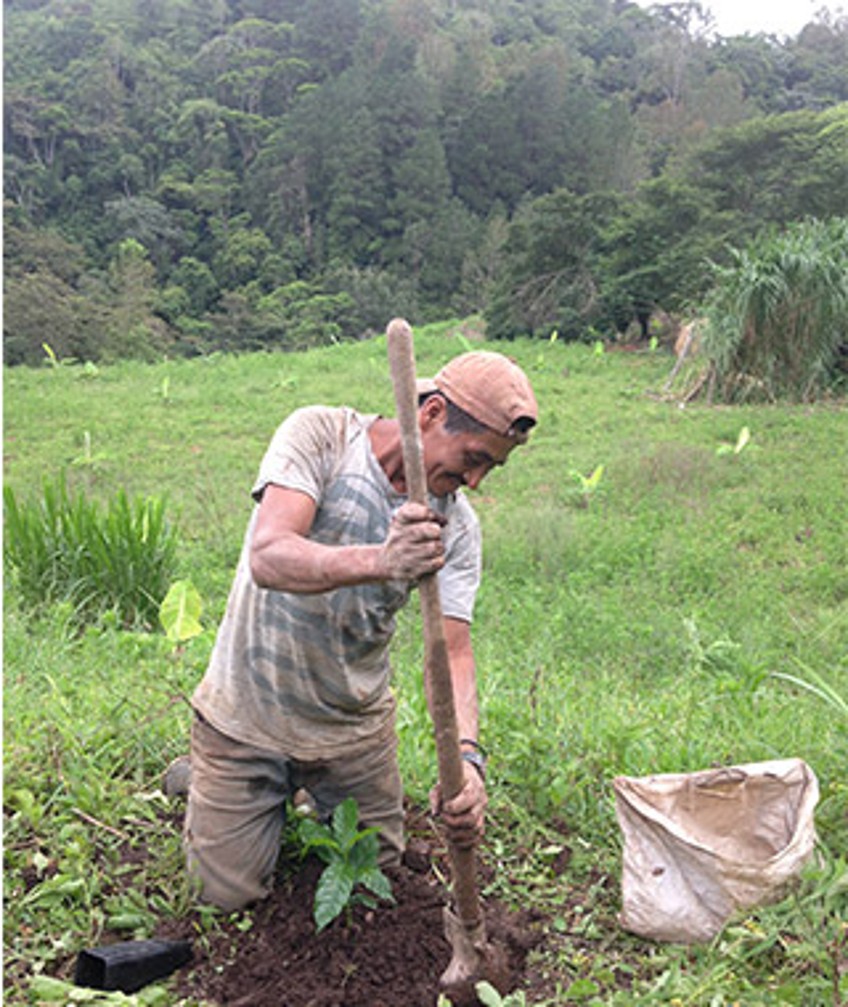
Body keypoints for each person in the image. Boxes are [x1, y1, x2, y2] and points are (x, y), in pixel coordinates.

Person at [181, 349, 538, 911]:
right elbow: (269, 557)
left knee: (374, 886)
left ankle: (297, 795)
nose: (475, 479)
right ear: (431, 412)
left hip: (352, 732)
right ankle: (212, 781)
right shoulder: (322, 436)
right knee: (222, 902)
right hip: (246, 717)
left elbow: (452, 652)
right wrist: (382, 560)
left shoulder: (457, 529)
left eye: (492, 466)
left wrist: (467, 760)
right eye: (474, 457)